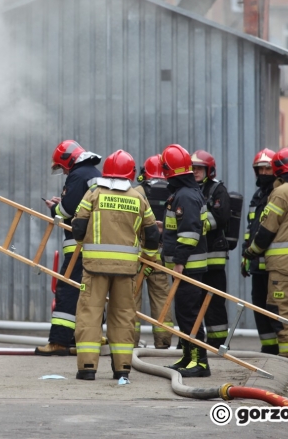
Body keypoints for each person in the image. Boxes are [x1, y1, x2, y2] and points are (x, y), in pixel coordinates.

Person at [70, 150, 159, 382]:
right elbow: (152, 233)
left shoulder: (94, 194)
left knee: (90, 314)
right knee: (123, 316)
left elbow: (78, 227)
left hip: (94, 268)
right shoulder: (139, 198)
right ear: (130, 173)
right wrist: (147, 257)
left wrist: (85, 244)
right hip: (126, 271)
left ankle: (87, 367)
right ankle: (122, 368)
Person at [243, 147, 288, 365]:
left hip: (285, 266)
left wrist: (251, 252)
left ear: (277, 169)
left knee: (282, 312)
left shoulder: (281, 193)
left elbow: (266, 229)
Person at [35, 140, 102, 356]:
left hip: (79, 246)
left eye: (62, 167)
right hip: (95, 245)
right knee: (89, 293)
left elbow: (65, 211)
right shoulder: (93, 173)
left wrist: (55, 206)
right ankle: (84, 337)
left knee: (67, 290)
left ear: (68, 160)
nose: (63, 172)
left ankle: (59, 342)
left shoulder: (78, 174)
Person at [160, 144, 210, 377]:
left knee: (190, 314)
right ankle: (189, 356)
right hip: (184, 266)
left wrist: (179, 262)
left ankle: (199, 362)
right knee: (184, 313)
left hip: (188, 267)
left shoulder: (185, 196)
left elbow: (190, 232)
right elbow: (181, 227)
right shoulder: (187, 193)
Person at [240, 148, 279, 355]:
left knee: (274, 307)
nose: (263, 173)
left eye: (267, 168)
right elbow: (251, 229)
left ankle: (278, 350)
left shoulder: (277, 195)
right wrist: (245, 256)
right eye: (260, 169)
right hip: (256, 264)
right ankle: (269, 347)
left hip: (273, 265)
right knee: (259, 306)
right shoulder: (258, 196)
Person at [132, 155, 173, 349]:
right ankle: (163, 342)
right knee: (161, 299)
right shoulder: (174, 191)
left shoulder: (137, 191)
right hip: (161, 256)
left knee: (132, 297)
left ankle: (130, 341)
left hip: (140, 255)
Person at [191, 150, 231, 349]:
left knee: (215, 303)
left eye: (199, 168)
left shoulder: (217, 190)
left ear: (209, 170)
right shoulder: (188, 189)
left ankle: (218, 342)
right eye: (193, 168)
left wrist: (194, 224)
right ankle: (194, 341)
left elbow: (221, 218)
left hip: (214, 260)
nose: (195, 171)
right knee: (193, 302)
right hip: (195, 260)